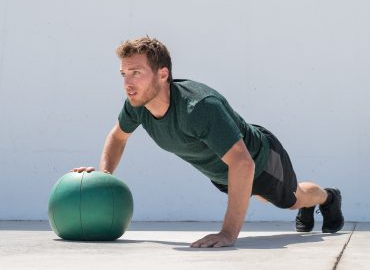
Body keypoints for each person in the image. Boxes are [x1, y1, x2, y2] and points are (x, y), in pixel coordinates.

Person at [71, 37, 344, 248]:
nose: (128, 83)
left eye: (137, 73)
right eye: (123, 74)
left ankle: (327, 198)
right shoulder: (137, 104)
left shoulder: (198, 107)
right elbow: (118, 136)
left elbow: (242, 163)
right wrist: (103, 177)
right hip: (225, 171)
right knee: (260, 196)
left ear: (163, 74)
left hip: (259, 159)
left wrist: (227, 234)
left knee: (292, 200)